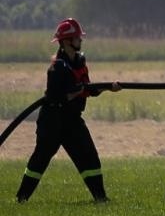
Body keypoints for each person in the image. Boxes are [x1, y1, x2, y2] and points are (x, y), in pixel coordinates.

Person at [16, 18, 121, 203]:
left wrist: (108, 87)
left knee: (89, 156)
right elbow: (55, 97)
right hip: (53, 120)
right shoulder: (57, 68)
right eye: (77, 38)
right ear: (66, 42)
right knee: (40, 159)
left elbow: (89, 88)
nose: (81, 40)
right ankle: (22, 198)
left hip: (72, 120)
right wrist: (76, 92)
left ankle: (100, 198)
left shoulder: (79, 63)